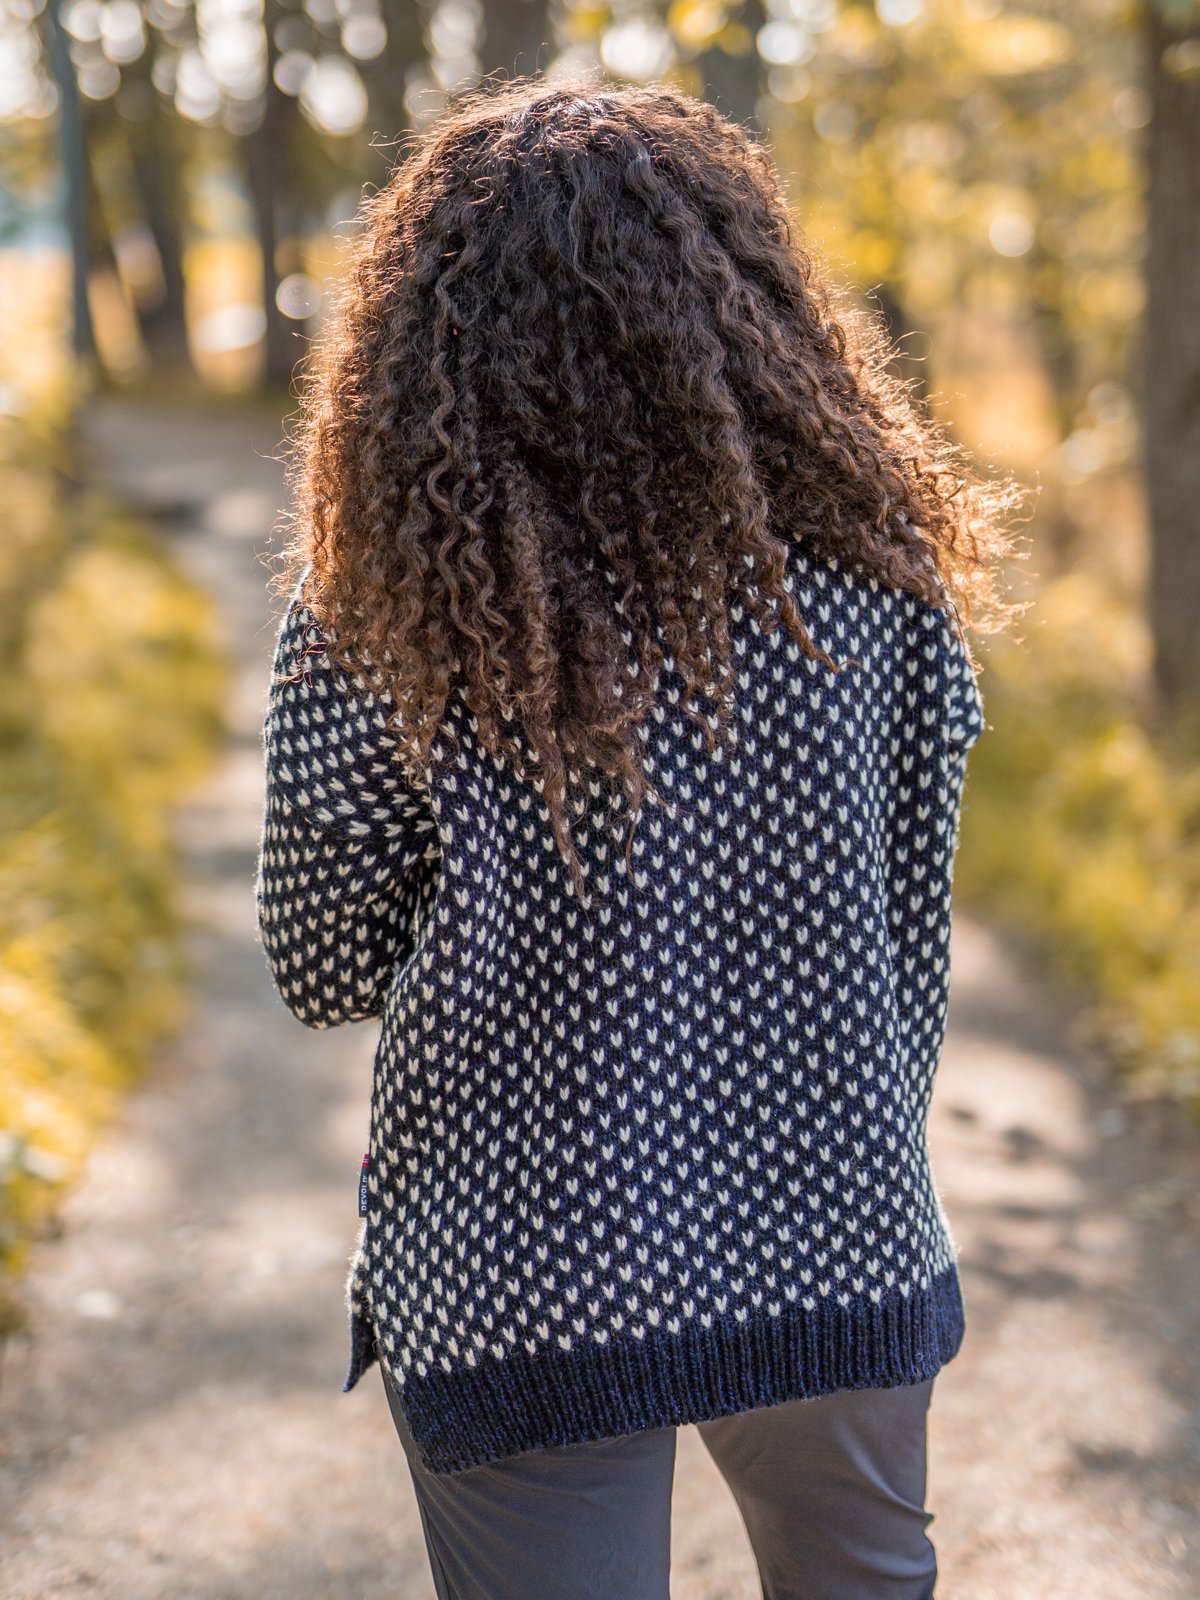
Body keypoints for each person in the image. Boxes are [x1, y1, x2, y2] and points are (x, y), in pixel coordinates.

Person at [255, 74, 1019, 1600]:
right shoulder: (880, 605)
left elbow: (323, 961)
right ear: (753, 308)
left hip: (516, 1263)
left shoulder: (387, 622)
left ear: (422, 344)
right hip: (830, 1227)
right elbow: (904, 928)